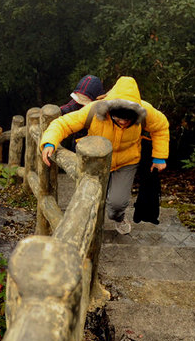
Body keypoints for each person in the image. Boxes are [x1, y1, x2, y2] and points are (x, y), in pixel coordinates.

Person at [39, 76, 169, 235]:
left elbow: (161, 127)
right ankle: (86, 231)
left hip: (126, 161)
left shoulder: (145, 111)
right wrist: (50, 142)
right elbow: (63, 123)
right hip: (97, 160)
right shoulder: (94, 109)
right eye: (117, 118)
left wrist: (159, 156)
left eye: (127, 120)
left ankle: (119, 217)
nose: (122, 122)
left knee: (117, 204)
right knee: (89, 198)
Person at [57, 75, 104, 152]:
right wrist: (59, 113)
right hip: (78, 140)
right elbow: (66, 109)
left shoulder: (102, 107)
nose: (82, 102)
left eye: (85, 100)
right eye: (80, 98)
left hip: (96, 142)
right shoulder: (75, 104)